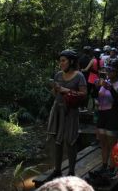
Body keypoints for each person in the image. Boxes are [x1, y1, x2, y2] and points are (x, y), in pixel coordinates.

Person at [46, 50, 87, 179]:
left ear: (71, 61)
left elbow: (84, 94)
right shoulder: (58, 75)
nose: (61, 63)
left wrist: (66, 90)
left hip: (71, 112)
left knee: (70, 141)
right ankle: (57, 169)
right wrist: (55, 88)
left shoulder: (79, 76)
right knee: (57, 141)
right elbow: (54, 94)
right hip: (57, 109)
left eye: (63, 60)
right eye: (60, 61)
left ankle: (71, 171)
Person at [94, 59, 118, 176]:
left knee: (112, 145)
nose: (108, 72)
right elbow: (97, 96)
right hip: (102, 114)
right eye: (107, 69)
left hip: (113, 115)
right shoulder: (105, 82)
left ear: (117, 71)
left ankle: (112, 168)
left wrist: (110, 89)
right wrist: (96, 86)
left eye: (111, 70)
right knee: (103, 143)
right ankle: (104, 166)